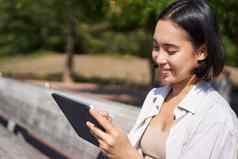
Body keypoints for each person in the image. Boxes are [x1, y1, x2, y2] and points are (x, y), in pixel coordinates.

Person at [86, 0, 238, 158]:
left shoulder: (216, 117)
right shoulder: (155, 96)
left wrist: (127, 156)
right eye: (156, 47)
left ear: (202, 52)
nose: (159, 58)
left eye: (171, 50)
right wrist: (112, 136)